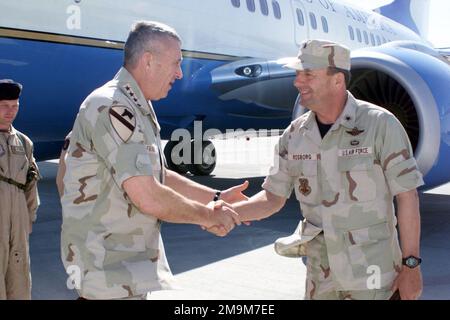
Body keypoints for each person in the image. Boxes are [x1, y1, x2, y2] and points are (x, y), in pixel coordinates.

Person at [60, 21, 247, 300]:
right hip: (106, 275)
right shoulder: (113, 105)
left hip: (125, 272)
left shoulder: (137, 106)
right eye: (176, 63)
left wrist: (215, 195)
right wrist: (208, 215)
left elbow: (157, 174)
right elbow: (147, 195)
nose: (180, 73)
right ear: (148, 61)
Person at [226, 39, 424, 300]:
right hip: (321, 280)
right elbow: (272, 198)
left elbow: (407, 197)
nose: (298, 82)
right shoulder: (294, 135)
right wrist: (222, 213)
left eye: (308, 74)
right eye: (298, 73)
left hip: (374, 277)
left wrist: (411, 266)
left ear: (337, 80)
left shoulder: (380, 125)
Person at [0, 79, 40, 299]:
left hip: (18, 226)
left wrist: (29, 219)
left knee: (19, 283)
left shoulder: (24, 143)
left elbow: (30, 184)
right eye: (4, 105)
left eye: (14, 106)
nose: (10, 111)